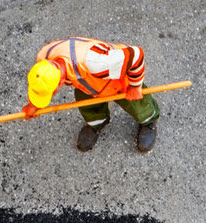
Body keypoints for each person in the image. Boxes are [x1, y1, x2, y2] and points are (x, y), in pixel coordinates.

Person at [22, 36, 160, 152]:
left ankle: (148, 120)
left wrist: (135, 86)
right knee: (87, 105)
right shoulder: (44, 61)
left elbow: (136, 55)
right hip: (86, 82)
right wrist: (34, 105)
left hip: (115, 78)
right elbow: (44, 82)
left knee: (138, 104)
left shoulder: (97, 63)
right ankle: (97, 123)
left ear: (60, 82)